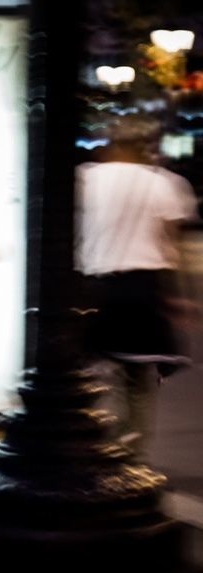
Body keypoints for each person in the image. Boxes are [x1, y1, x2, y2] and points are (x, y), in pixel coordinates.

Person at [77, 123, 199, 456]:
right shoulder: (167, 184)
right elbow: (172, 244)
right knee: (136, 373)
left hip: (95, 282)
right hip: (144, 284)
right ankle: (131, 442)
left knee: (82, 362)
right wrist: (181, 297)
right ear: (144, 148)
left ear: (110, 146)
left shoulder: (87, 178)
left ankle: (87, 434)